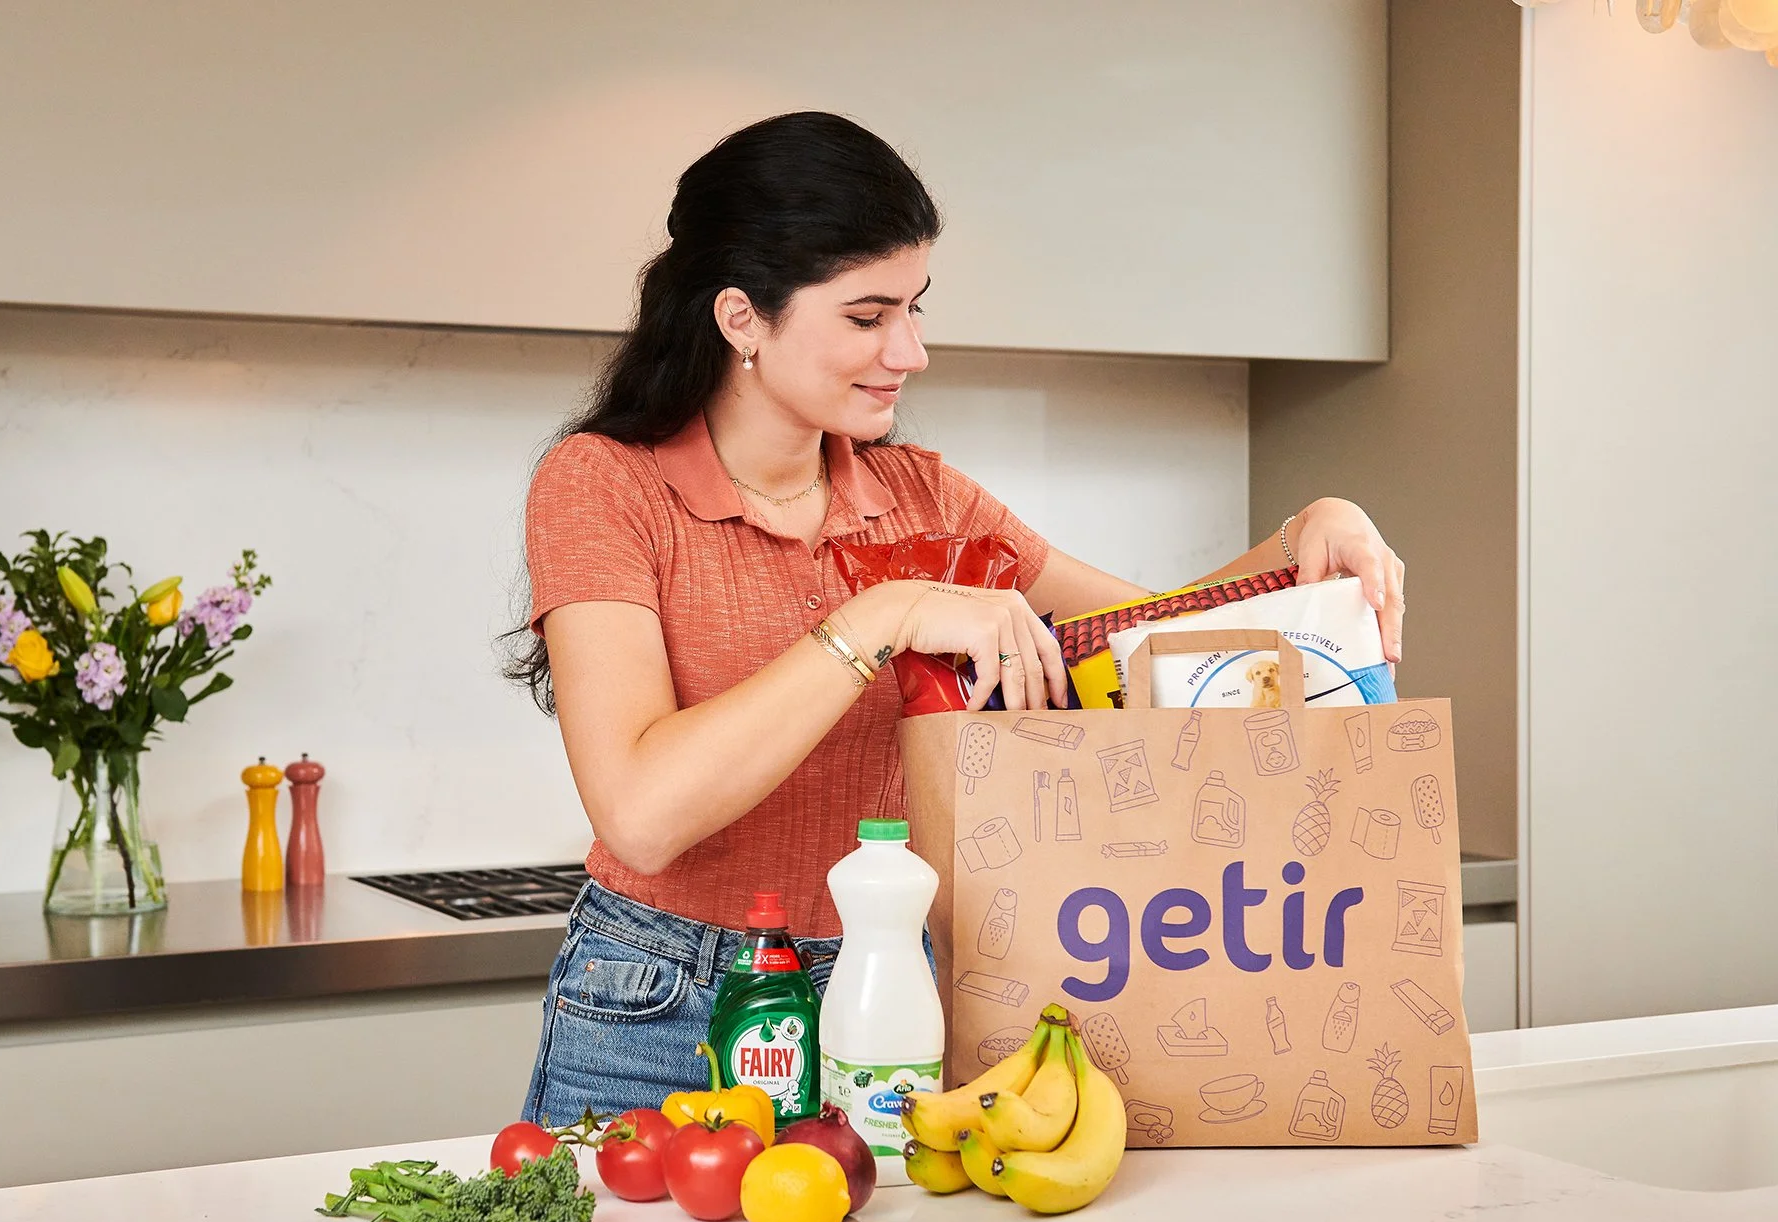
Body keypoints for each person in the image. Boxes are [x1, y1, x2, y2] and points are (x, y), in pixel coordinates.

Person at [506, 111, 1404, 1127]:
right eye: (866, 315)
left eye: (914, 308)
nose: (911, 350)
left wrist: (1306, 533)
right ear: (739, 317)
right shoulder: (602, 488)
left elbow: (1155, 630)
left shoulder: (923, 497)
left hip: (888, 993)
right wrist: (885, 613)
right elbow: (641, 810)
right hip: (661, 1007)